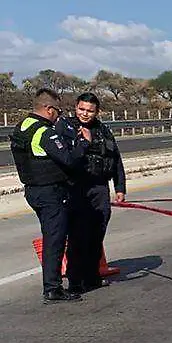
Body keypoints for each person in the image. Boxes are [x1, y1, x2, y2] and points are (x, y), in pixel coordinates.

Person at [9, 89, 91, 303]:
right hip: (50, 192)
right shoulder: (45, 132)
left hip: (33, 190)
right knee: (55, 239)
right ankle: (52, 288)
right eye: (57, 111)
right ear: (48, 109)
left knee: (51, 236)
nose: (58, 115)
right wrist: (83, 143)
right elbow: (69, 159)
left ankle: (52, 285)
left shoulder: (22, 126)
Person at [58, 92, 126, 294]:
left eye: (90, 110)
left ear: (97, 112)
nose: (85, 114)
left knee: (97, 234)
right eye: (82, 109)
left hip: (99, 188)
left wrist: (120, 187)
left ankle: (92, 277)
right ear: (75, 107)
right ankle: (75, 281)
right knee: (78, 236)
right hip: (76, 188)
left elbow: (116, 160)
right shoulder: (65, 127)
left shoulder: (103, 130)